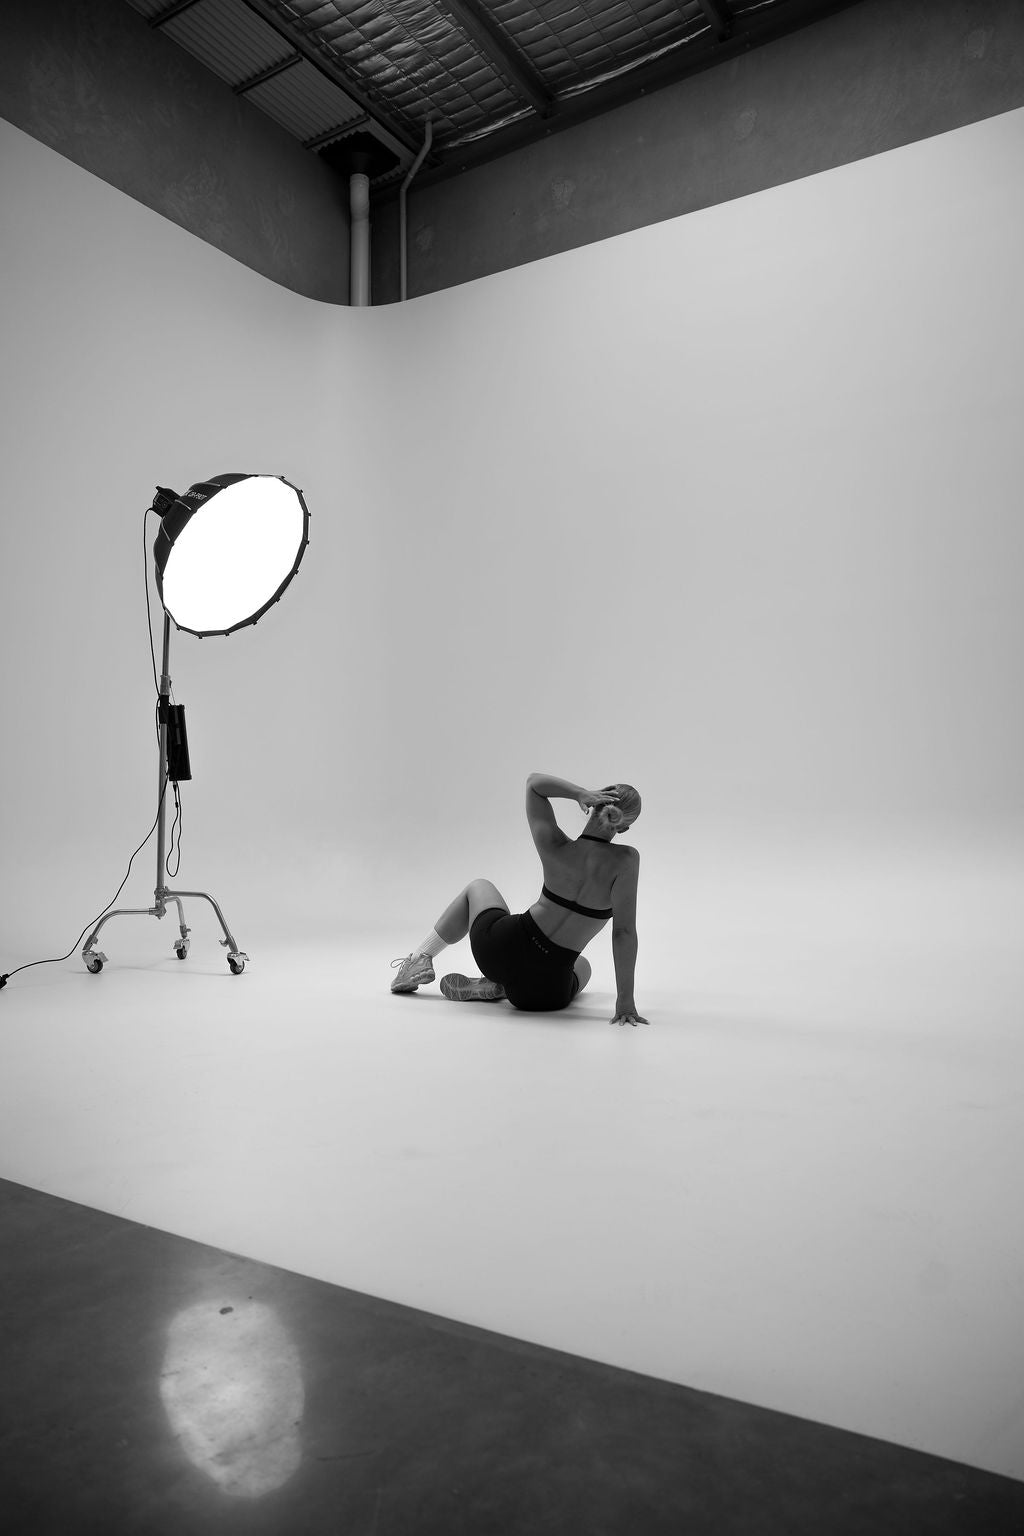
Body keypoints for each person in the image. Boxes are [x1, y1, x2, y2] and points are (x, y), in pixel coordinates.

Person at [390, 773, 648, 1026]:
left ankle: (420, 958)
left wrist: (579, 793)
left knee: (478, 886)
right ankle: (505, 986)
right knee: (584, 967)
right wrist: (625, 1002)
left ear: (594, 807)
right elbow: (623, 934)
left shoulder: (556, 844)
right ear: (624, 827)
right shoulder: (625, 862)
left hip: (498, 951)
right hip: (543, 992)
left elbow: (534, 784)